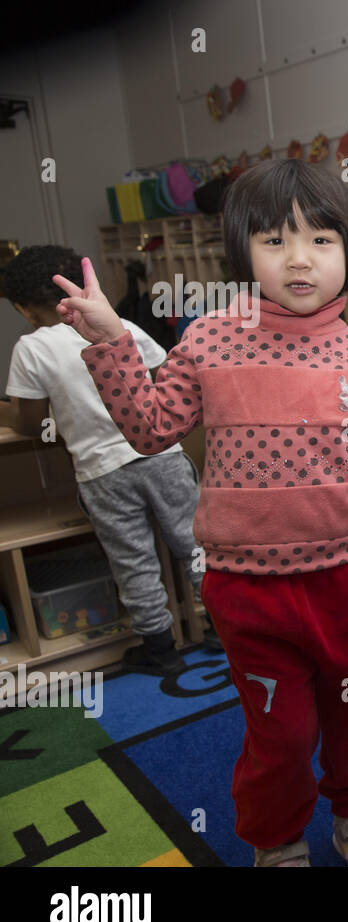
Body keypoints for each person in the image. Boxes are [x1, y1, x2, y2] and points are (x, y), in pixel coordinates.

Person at [53, 158, 348, 868]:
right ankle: (277, 835)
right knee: (279, 731)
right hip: (247, 586)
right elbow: (149, 429)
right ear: (242, 251)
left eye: (321, 240)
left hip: (347, 578)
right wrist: (110, 340)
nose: (299, 259)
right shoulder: (206, 340)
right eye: (275, 240)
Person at [2, 245, 208, 675]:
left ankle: (160, 648)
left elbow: (30, 423)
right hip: (163, 456)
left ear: (22, 307)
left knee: (133, 560)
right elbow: (161, 388)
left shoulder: (31, 348)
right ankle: (227, 629)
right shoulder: (121, 326)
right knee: (195, 546)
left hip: (103, 473)